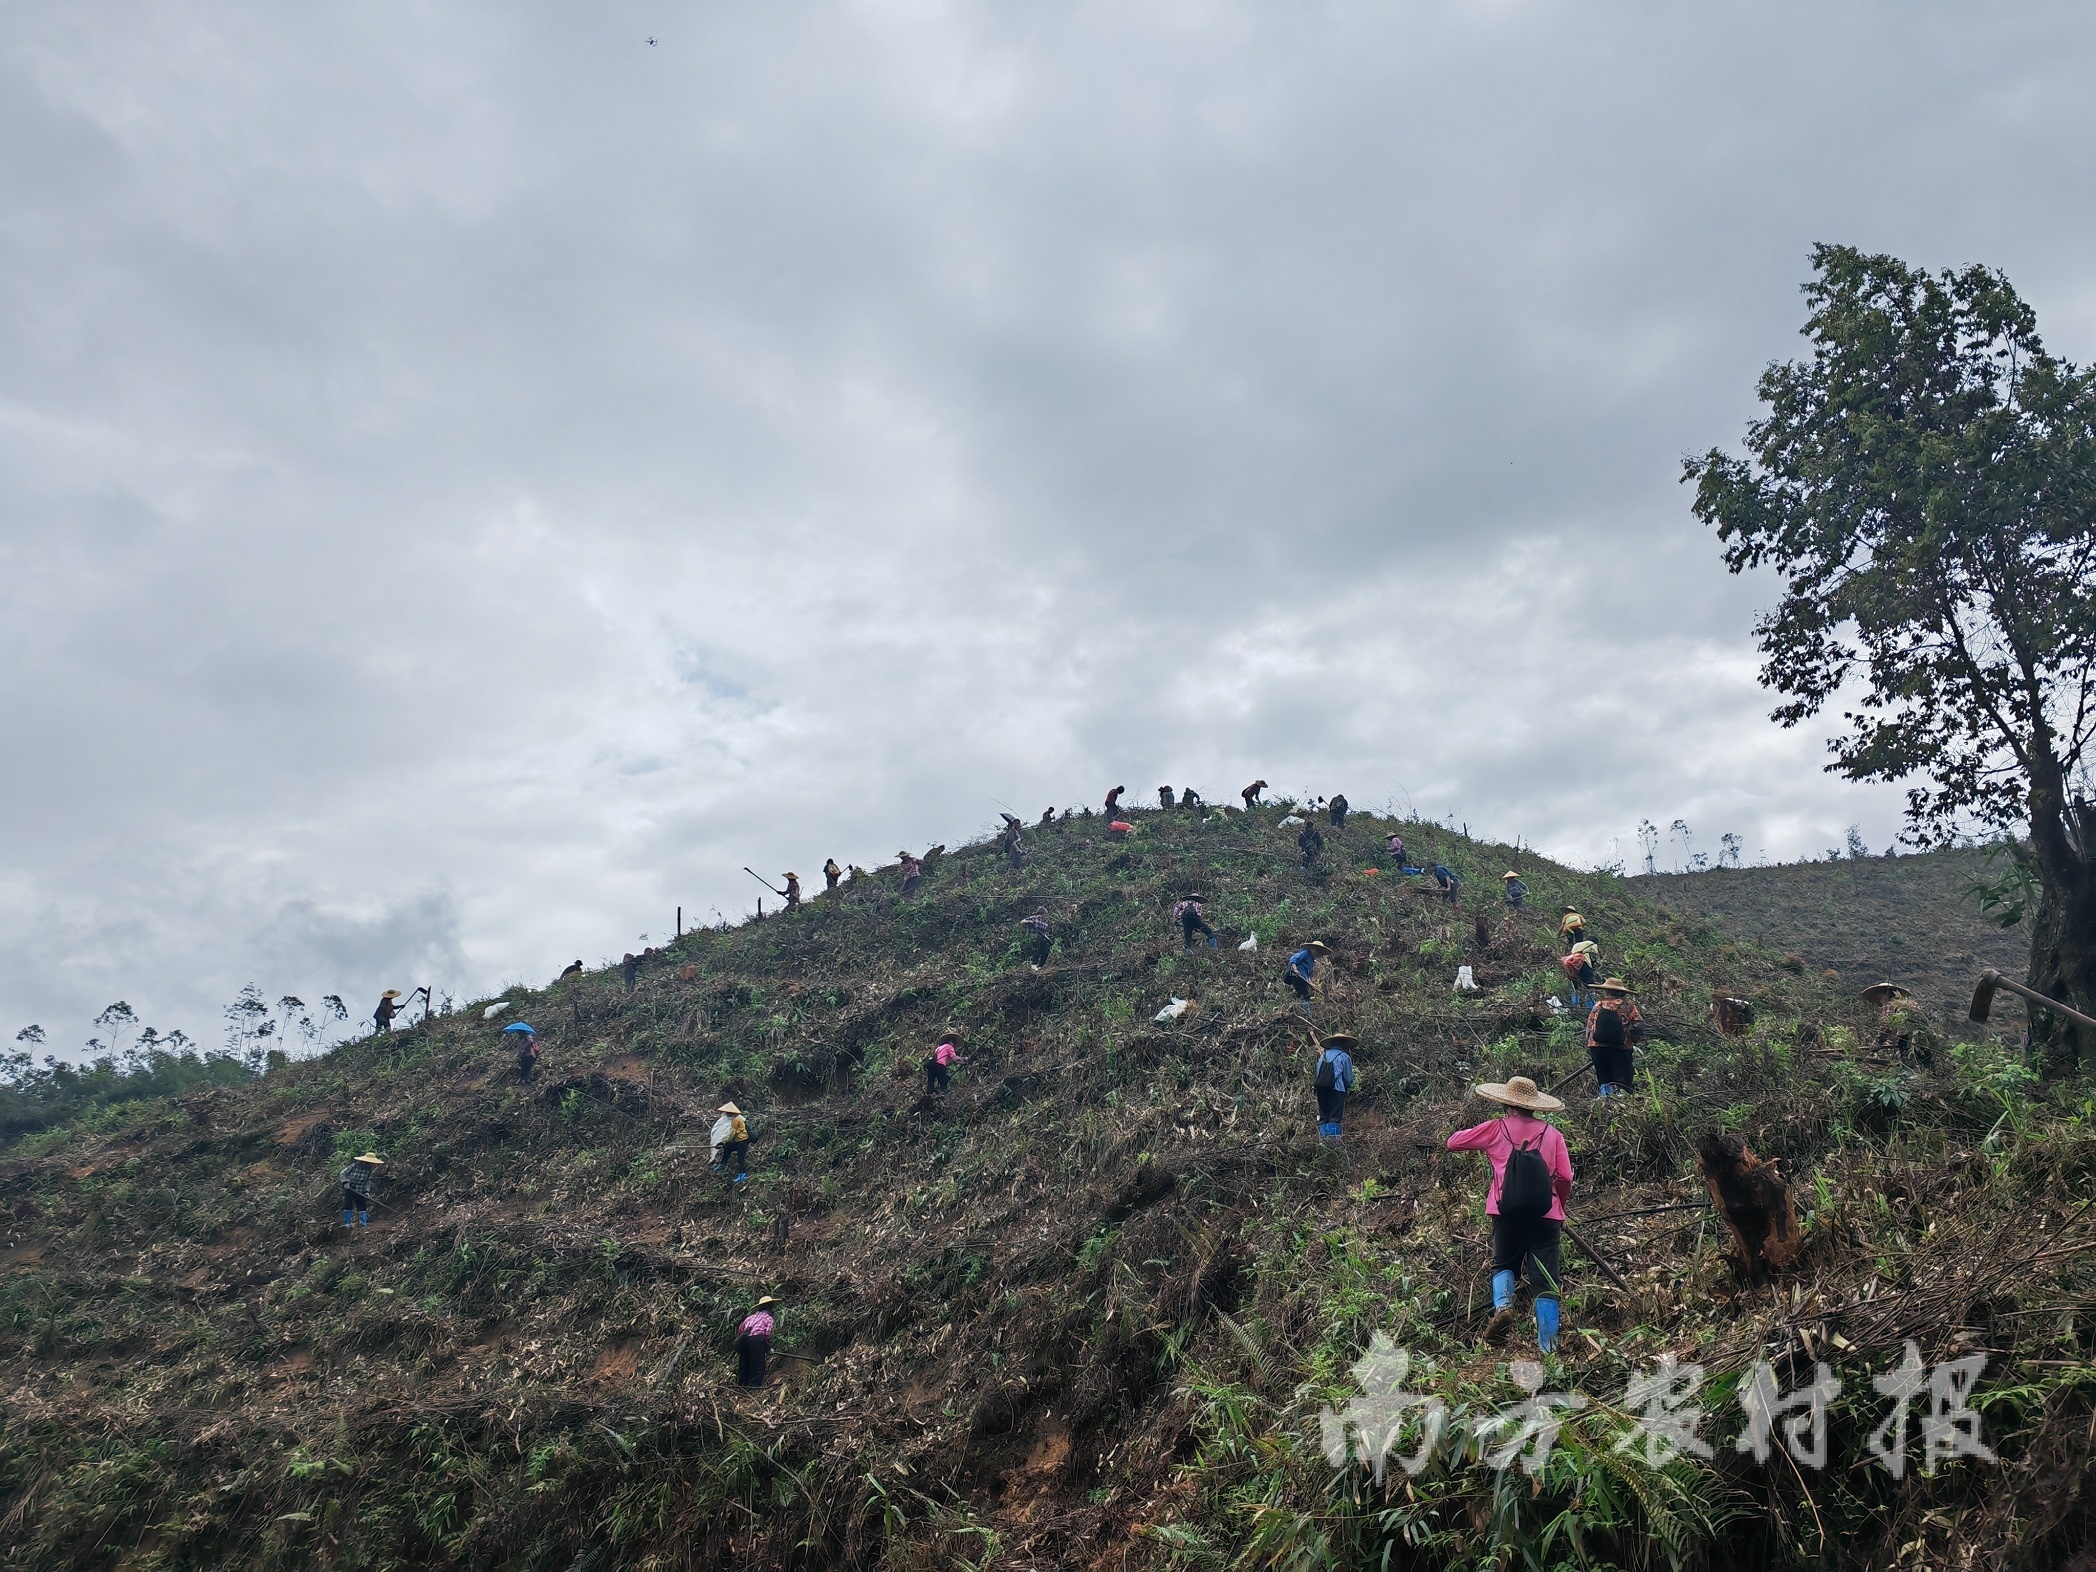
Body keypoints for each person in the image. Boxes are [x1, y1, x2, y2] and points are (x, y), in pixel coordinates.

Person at [1445, 1076, 1573, 1353]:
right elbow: (1565, 1176)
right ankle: (1547, 1349)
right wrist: (1559, 1207)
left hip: (1505, 1211)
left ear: (1505, 1102)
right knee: (1546, 1281)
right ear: (1535, 1106)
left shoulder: (1495, 1128)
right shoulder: (1552, 1134)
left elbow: (1453, 1143)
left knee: (1503, 1264)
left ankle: (1504, 1307)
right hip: (1547, 1214)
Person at [1587, 979, 1641, 1096]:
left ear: (1606, 991)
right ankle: (1625, 1100)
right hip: (1621, 1047)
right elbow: (1638, 1025)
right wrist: (1632, 1039)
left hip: (1597, 1047)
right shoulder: (1628, 1006)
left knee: (1604, 1077)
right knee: (1625, 1077)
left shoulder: (1599, 1005)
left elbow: (1589, 1027)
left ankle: (1606, 1100)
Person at [1313, 1033, 1357, 1142]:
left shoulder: (1322, 1056)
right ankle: (1334, 1143)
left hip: (1321, 1089)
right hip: (1337, 1090)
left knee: (1324, 1117)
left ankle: (1323, 1141)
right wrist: (1347, 1088)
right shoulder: (1344, 1057)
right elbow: (1348, 1078)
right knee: (1335, 1116)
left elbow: (1318, 1073)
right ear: (1343, 1045)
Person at [736, 1296, 781, 1387]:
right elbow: (766, 1335)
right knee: (757, 1364)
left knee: (745, 1362)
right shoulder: (768, 1318)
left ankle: (742, 1385)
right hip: (755, 1340)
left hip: (744, 1340)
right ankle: (754, 1386)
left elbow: (741, 1329)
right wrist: (768, 1348)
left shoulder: (750, 1317)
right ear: (770, 1307)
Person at [338, 1150, 384, 1229]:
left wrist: (366, 1191)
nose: (368, 1164)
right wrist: (345, 1182)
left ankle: (363, 1224)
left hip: (360, 1190)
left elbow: (368, 1181)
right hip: (350, 1188)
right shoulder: (354, 1166)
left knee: (362, 1206)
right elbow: (342, 1173)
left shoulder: (369, 1170)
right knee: (348, 1205)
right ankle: (347, 1223)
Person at [1285, 941, 1328, 1011]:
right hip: (1297, 976)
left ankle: (1302, 1010)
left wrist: (1311, 983)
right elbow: (1293, 959)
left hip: (1303, 979)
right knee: (1305, 994)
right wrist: (1295, 970)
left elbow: (1307, 975)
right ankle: (1306, 1012)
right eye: (1317, 950)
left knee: (1305, 995)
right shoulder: (1306, 953)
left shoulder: (1312, 961)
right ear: (1313, 949)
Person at [714, 1102, 750, 1179]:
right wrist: (724, 1143)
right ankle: (723, 1164)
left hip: (742, 1141)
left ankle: (742, 1174)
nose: (727, 1114)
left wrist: (723, 1142)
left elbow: (731, 1134)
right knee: (727, 1149)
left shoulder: (736, 1120)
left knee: (741, 1157)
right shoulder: (735, 1119)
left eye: (729, 1113)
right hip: (736, 1140)